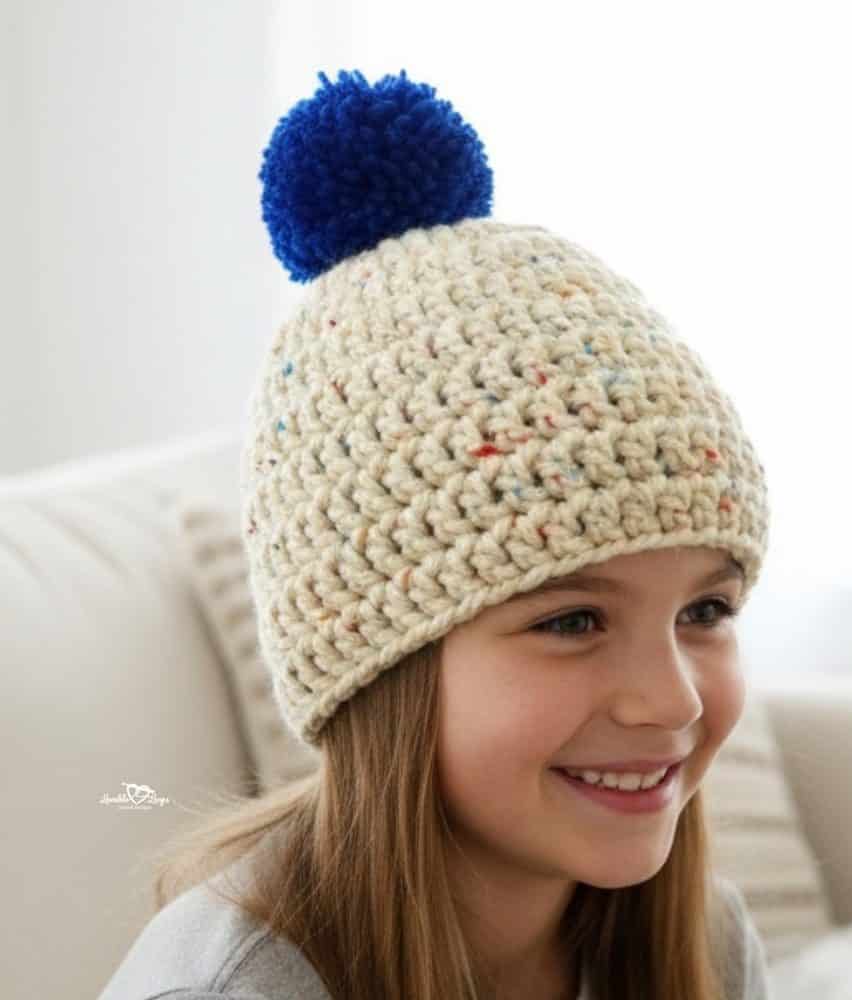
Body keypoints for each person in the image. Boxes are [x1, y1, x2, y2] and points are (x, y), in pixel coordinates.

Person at [98, 68, 773, 1000]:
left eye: (706, 608)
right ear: (378, 665)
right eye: (572, 621)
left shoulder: (706, 947)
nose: (672, 702)